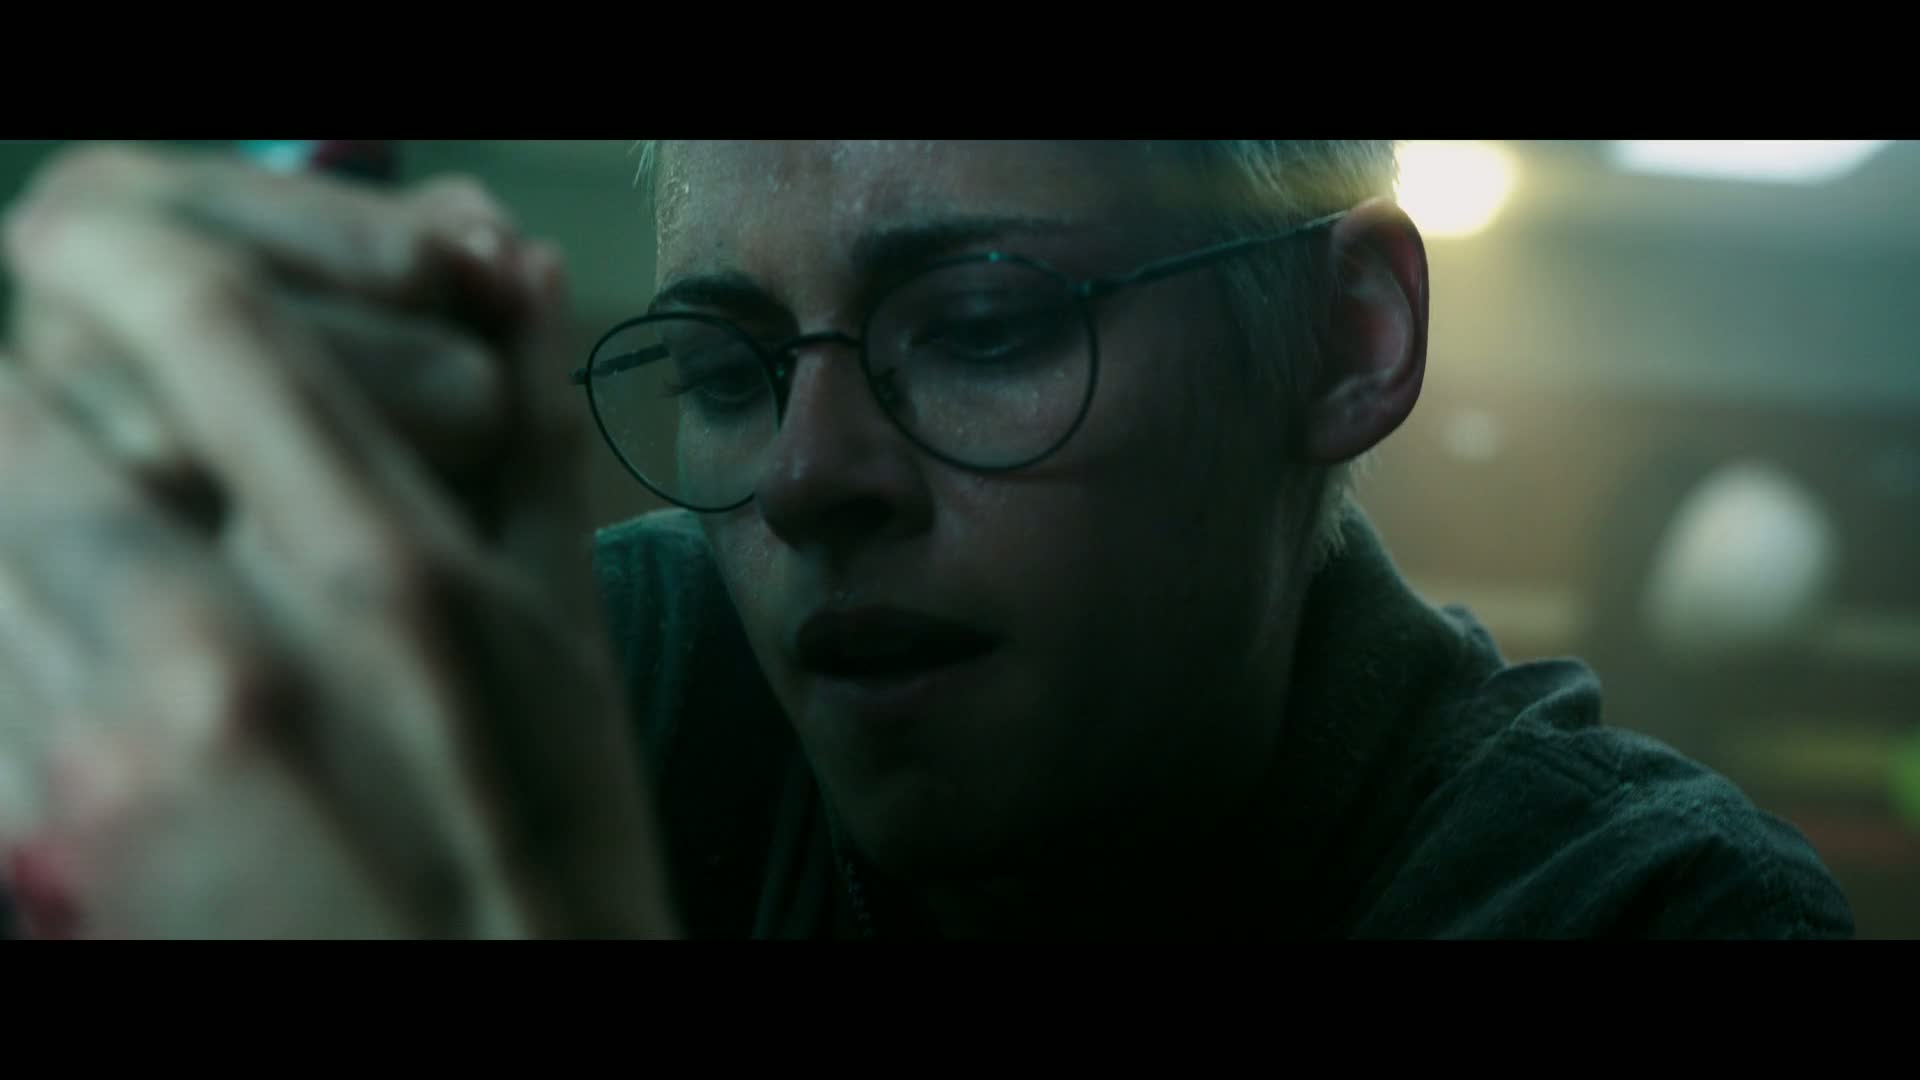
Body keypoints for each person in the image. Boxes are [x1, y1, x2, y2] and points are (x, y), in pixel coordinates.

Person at [0, 140, 1855, 939]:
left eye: (981, 327)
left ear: (1344, 340)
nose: (810, 477)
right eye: (727, 369)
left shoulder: (1640, 915)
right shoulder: (623, 675)